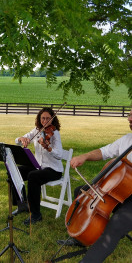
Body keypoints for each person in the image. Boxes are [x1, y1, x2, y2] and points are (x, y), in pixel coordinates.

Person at [58, 109, 132, 262]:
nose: (129, 119)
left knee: (115, 226)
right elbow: (104, 151)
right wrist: (84, 156)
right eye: (129, 114)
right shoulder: (128, 139)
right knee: (82, 192)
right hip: (117, 192)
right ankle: (81, 237)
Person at [14, 107, 63, 225]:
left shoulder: (55, 134)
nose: (45, 121)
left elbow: (60, 155)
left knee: (33, 176)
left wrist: (49, 147)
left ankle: (36, 215)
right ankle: (22, 204)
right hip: (39, 166)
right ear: (39, 119)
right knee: (15, 170)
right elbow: (17, 140)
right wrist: (22, 139)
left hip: (53, 169)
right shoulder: (36, 130)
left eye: (47, 118)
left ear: (52, 119)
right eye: (43, 118)